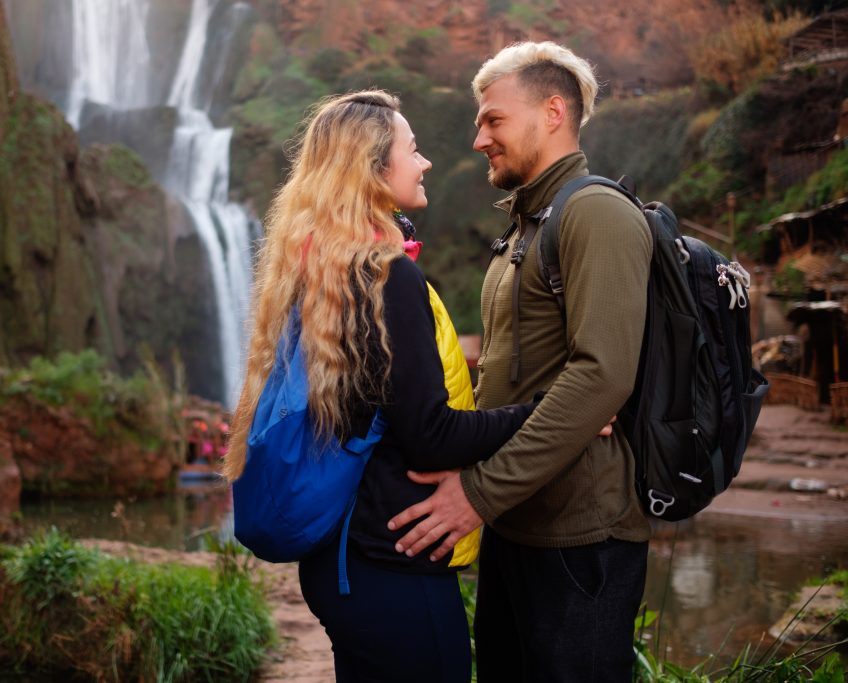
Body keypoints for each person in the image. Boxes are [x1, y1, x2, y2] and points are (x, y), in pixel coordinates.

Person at [225, 90, 562, 682]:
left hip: (341, 563)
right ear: (375, 168)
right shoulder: (387, 276)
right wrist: (547, 413)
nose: (425, 161)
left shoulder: (322, 267)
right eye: (413, 150)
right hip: (392, 568)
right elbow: (432, 436)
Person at [388, 41, 652, 682]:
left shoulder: (596, 214)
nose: (479, 138)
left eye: (493, 119)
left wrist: (476, 494)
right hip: (519, 524)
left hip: (580, 536)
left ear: (553, 112)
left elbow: (602, 376)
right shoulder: (529, 225)